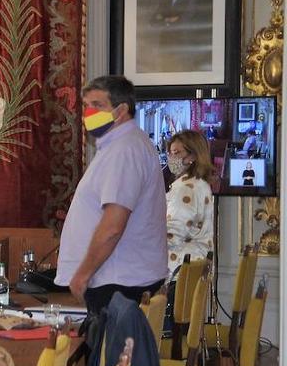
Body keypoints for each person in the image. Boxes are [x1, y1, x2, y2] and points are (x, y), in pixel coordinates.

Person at [56, 76, 168, 315]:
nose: (89, 113)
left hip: (118, 282)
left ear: (121, 110)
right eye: (86, 105)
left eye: (98, 105)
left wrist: (83, 273)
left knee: (108, 343)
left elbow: (113, 226)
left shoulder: (124, 150)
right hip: (120, 278)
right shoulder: (122, 145)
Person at [164, 129, 214, 277]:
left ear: (193, 155)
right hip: (191, 267)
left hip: (177, 270)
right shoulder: (198, 183)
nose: (171, 158)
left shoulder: (185, 188)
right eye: (170, 153)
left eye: (176, 153)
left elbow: (172, 235)